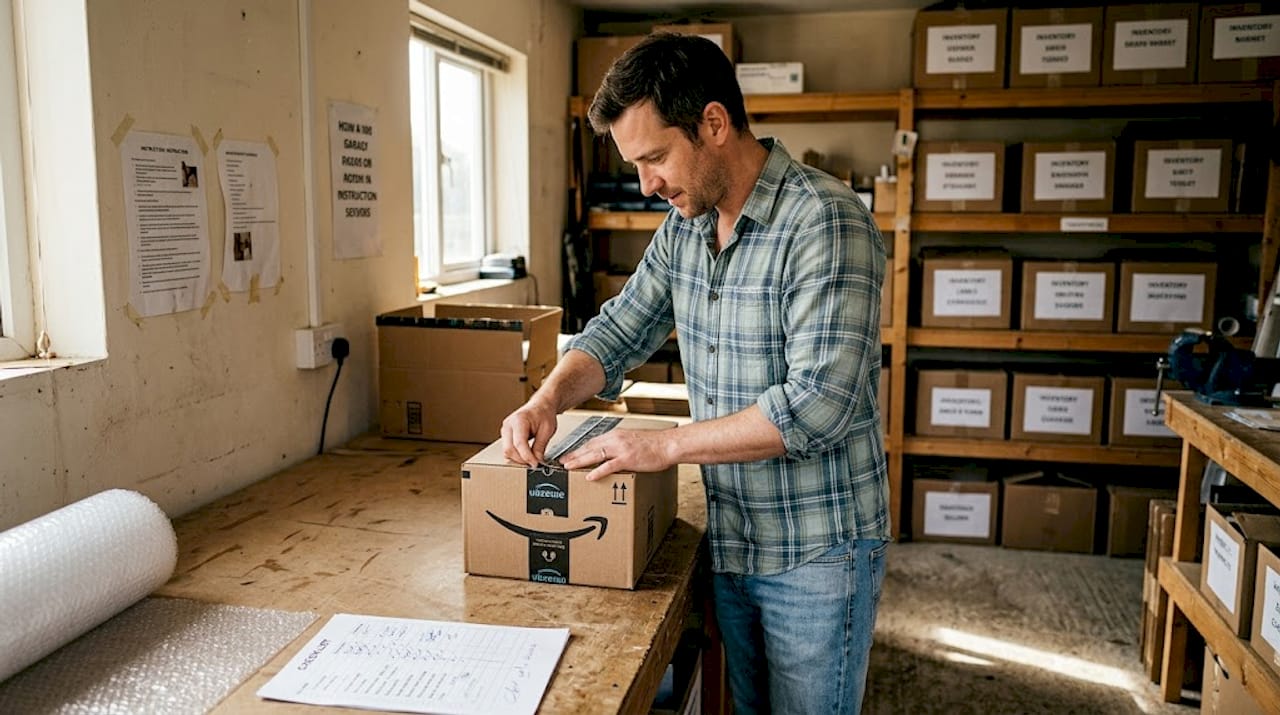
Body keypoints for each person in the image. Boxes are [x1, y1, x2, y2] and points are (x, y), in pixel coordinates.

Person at [501, 32, 888, 714]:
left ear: (713, 124)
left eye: (654, 157)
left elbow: (819, 403)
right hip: (734, 535)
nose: (647, 184)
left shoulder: (827, 220)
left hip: (817, 550)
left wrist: (664, 444)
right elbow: (619, 329)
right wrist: (547, 397)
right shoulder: (686, 225)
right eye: (636, 164)